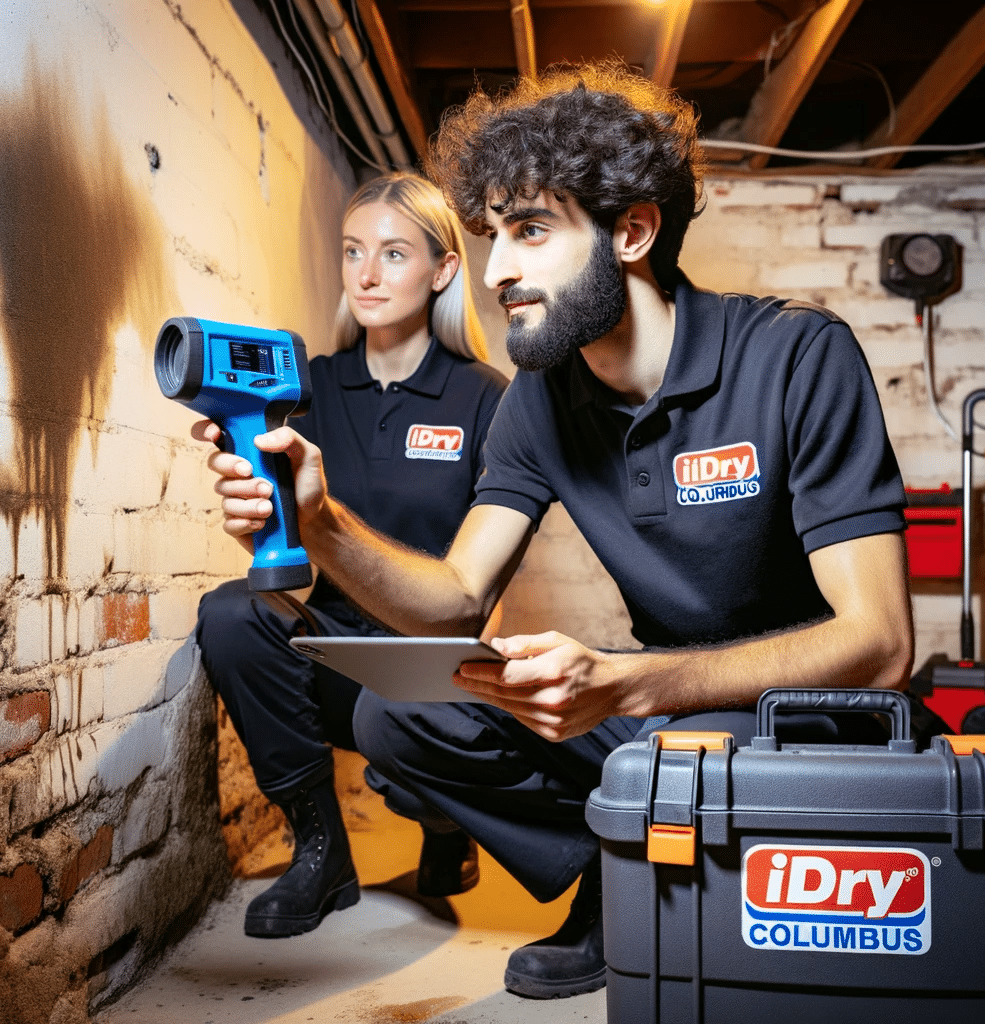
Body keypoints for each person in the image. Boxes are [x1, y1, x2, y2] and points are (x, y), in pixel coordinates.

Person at [196, 63, 913, 997]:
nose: (497, 272)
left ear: (633, 231)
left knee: (660, 751)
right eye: (492, 236)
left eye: (531, 230)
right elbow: (455, 598)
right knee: (400, 717)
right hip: (659, 707)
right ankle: (610, 876)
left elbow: (882, 644)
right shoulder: (541, 398)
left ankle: (637, 867)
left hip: (801, 722)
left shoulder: (794, 357)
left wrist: (630, 684)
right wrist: (318, 521)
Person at [193, 171, 508, 939]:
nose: (366, 274)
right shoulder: (304, 390)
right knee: (231, 613)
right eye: (352, 251)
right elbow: (283, 535)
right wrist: (248, 497)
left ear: (441, 270)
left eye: (394, 253)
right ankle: (321, 848)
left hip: (430, 663)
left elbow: (485, 579)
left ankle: (441, 820)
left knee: (411, 728)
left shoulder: (485, 396)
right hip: (333, 652)